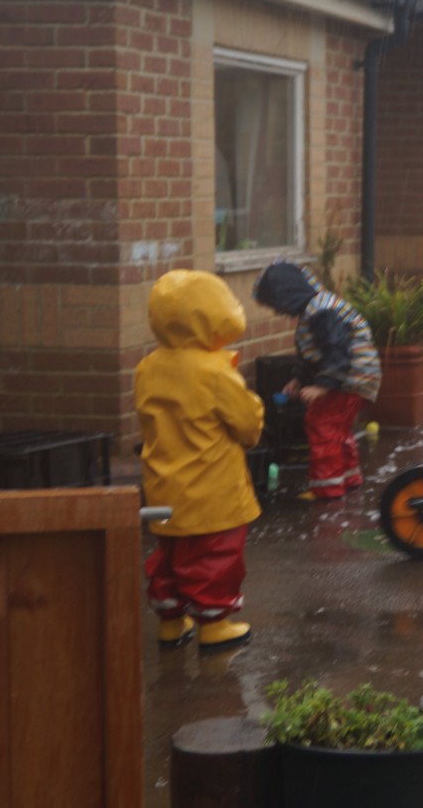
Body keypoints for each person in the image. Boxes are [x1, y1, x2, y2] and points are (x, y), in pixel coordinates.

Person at [136, 269, 264, 651]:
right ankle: (214, 625)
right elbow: (247, 426)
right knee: (215, 558)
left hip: (163, 486)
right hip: (212, 489)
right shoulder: (214, 372)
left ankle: (171, 623)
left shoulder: (148, 368)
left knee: (169, 557)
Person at [252, 260, 382, 501]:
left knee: (320, 423)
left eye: (276, 305)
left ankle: (327, 489)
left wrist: (323, 385)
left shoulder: (321, 311)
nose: (277, 312)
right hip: (357, 377)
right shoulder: (316, 308)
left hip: (347, 377)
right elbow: (316, 355)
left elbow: (335, 350)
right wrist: (299, 380)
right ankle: (348, 478)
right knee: (338, 428)